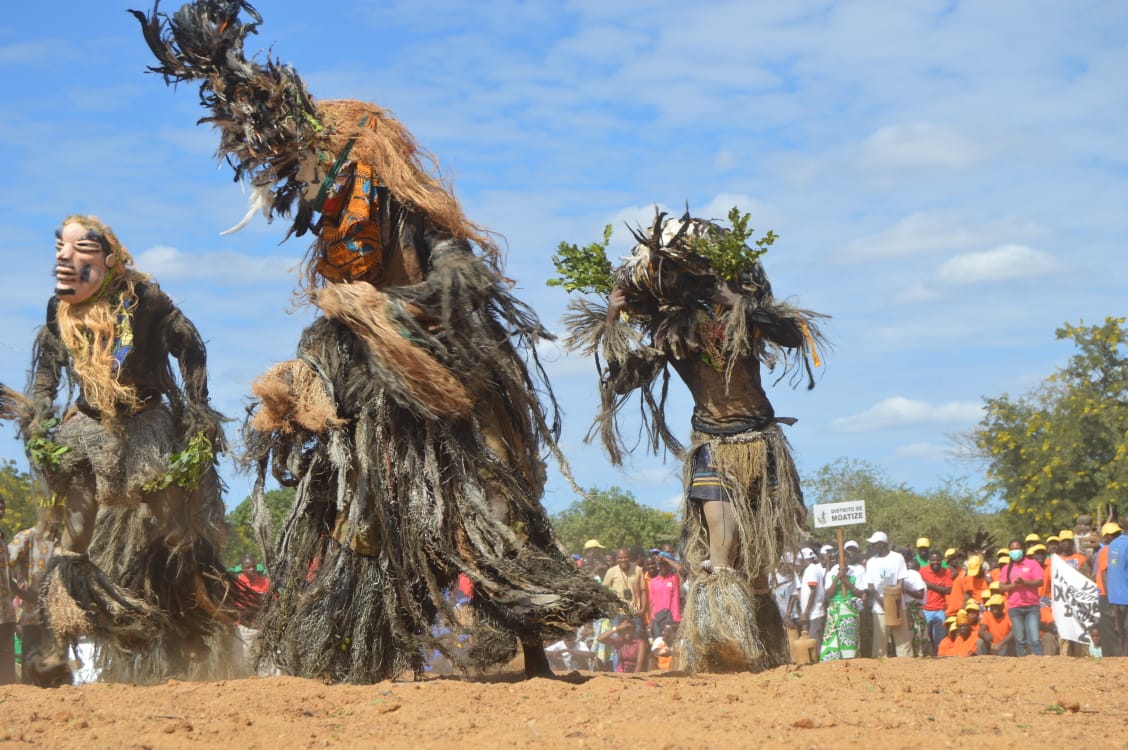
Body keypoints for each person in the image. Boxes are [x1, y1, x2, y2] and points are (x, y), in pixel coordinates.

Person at [134, 0, 619, 682]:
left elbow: (462, 273)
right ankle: (367, 649)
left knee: (498, 498)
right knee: (356, 502)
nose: (309, 191)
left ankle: (527, 647)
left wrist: (415, 302)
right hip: (367, 370)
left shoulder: (412, 220)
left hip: (450, 372)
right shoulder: (335, 245)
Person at [566, 208, 825, 673]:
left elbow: (792, 335)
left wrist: (737, 303)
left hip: (760, 445)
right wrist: (612, 317)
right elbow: (624, 379)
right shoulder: (673, 336)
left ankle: (764, 643)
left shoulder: (747, 320)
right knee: (721, 547)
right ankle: (719, 640)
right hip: (713, 447)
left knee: (760, 564)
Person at [0, 214, 241, 686]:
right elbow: (48, 366)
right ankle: (56, 644)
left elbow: (190, 346)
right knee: (73, 540)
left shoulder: (146, 299)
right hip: (87, 428)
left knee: (176, 530)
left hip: (145, 426)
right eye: (60, 249)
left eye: (79, 250)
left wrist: (198, 409)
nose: (65, 259)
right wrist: (41, 413)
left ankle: (193, 618)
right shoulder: (60, 308)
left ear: (108, 259)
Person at [6, 505, 63, 682]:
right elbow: (4, 565)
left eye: (60, 511)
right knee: (31, 667)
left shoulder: (63, 541)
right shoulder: (26, 537)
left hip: (57, 617)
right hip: (31, 616)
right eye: (53, 511)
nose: (56, 516)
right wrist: (21, 593)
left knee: (55, 669)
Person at [864, 532, 912, 658]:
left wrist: (891, 602)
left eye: (874, 544)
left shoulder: (897, 558)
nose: (872, 546)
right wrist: (882, 602)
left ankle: (907, 666)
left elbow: (900, 582)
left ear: (882, 544)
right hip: (879, 607)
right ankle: (880, 668)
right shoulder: (871, 562)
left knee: (902, 640)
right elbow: (870, 586)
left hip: (897, 605)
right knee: (880, 642)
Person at [998, 539, 1044, 656]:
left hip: (1032, 606)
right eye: (1012, 549)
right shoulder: (1006, 568)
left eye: (1017, 548)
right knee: (1020, 639)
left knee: (1034, 638)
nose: (1015, 551)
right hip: (1015, 607)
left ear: (1023, 549)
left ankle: (1039, 661)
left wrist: (1024, 582)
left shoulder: (1032, 563)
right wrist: (1013, 585)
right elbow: (1001, 587)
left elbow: (1039, 581)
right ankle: (1022, 664)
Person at [921, 550, 954, 656]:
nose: (936, 562)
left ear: (942, 561)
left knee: (940, 640)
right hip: (925, 609)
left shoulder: (946, 572)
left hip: (940, 610)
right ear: (929, 561)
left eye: (938, 560)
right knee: (925, 639)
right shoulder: (922, 571)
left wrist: (930, 586)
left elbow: (948, 590)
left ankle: (939, 660)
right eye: (933, 560)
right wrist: (940, 588)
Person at [604, 548, 649, 618]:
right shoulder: (611, 571)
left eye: (625, 557)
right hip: (618, 613)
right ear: (616, 559)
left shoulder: (638, 570)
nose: (623, 560)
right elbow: (603, 591)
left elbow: (643, 591)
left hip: (635, 612)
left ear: (629, 558)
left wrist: (642, 609)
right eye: (620, 558)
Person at [1105, 522, 1128, 657]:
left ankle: (1124, 659)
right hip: (1126, 596)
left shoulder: (1113, 544)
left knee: (1122, 631)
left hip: (1115, 596)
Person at [0, 495, 16, 684]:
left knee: (6, 658)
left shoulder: (3, 538)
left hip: (5, 609)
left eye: (2, 503)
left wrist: (23, 595)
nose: (1, 507)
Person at [647, 552, 682, 637]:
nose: (663, 567)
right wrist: (651, 622)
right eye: (661, 564)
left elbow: (681, 569)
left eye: (665, 564)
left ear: (669, 565)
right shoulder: (654, 581)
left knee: (672, 647)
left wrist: (665, 559)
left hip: (673, 619)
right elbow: (651, 603)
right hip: (657, 620)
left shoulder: (674, 578)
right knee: (659, 647)